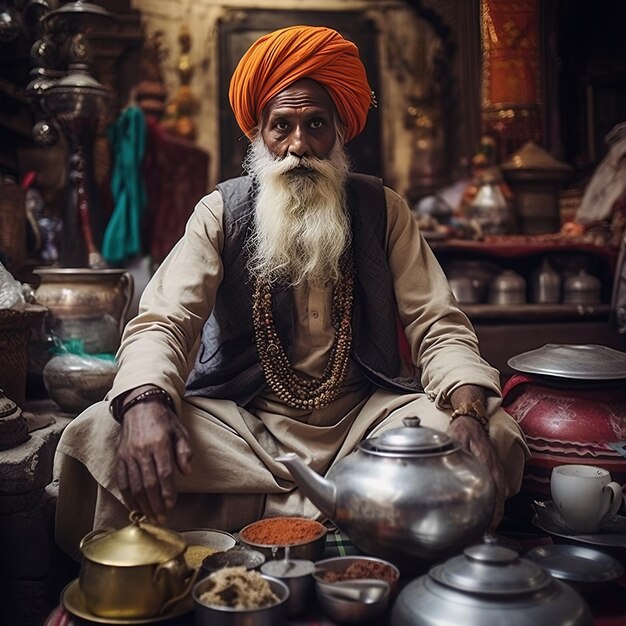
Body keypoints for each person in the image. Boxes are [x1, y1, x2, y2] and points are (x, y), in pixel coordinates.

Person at [54, 25, 529, 561]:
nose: (298, 146)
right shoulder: (221, 212)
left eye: (315, 125)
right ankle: (363, 513)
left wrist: (465, 413)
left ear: (340, 132)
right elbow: (165, 319)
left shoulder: (383, 211)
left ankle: (248, 515)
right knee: (104, 432)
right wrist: (146, 400)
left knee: (497, 431)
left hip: (369, 430)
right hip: (245, 432)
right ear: (258, 134)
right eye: (282, 127)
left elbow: (438, 326)